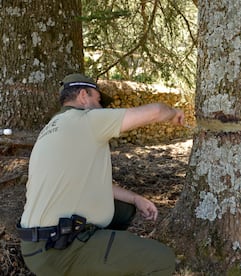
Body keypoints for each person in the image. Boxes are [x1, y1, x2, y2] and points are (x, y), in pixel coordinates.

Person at [17, 73, 185, 275]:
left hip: (37, 245)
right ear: (82, 96)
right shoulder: (85, 119)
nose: (101, 107)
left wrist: (135, 198)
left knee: (123, 208)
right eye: (98, 99)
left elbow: (89, 183)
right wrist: (174, 112)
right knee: (161, 260)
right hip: (59, 249)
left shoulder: (53, 128)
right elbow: (156, 111)